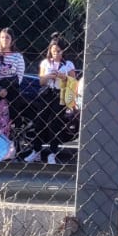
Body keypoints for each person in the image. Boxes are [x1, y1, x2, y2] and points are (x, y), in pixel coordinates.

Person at [28, 35, 77, 164]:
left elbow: (73, 81)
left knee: (55, 124)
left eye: (58, 51)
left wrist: (63, 77)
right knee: (40, 122)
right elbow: (41, 81)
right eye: (53, 50)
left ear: (63, 51)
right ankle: (36, 151)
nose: (56, 53)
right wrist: (49, 76)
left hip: (60, 94)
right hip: (46, 93)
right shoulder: (45, 63)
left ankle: (52, 153)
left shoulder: (68, 64)